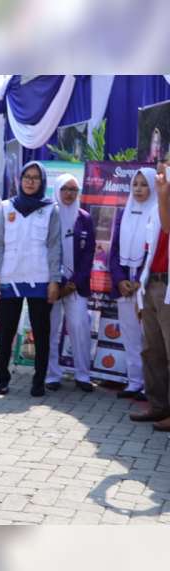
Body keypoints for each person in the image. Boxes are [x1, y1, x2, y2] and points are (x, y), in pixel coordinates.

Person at [0, 161, 62, 398]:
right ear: (20, 180)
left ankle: (38, 381)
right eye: (26, 177)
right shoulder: (5, 207)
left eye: (35, 178)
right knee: (6, 332)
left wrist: (54, 280)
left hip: (40, 279)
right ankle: (2, 378)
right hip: (9, 277)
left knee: (41, 333)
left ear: (42, 182)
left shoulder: (51, 209)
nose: (30, 181)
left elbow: (54, 247)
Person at [109, 168, 156, 401]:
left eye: (144, 184)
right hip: (124, 285)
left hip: (146, 284)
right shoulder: (123, 212)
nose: (138, 189)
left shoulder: (157, 213)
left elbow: (154, 250)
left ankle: (151, 387)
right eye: (135, 184)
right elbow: (114, 250)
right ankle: (134, 381)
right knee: (129, 333)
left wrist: (139, 281)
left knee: (150, 337)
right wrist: (120, 280)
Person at [45, 174, 95, 393]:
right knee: (51, 330)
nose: (69, 193)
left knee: (80, 327)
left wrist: (74, 283)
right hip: (54, 285)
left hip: (76, 286)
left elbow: (89, 254)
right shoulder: (48, 215)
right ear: (57, 189)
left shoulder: (85, 217)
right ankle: (51, 375)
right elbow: (43, 250)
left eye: (74, 190)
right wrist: (58, 281)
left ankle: (83, 375)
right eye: (65, 189)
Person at [131, 165, 170, 428]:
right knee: (152, 351)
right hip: (153, 284)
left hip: (168, 288)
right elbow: (149, 249)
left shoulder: (163, 203)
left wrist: (163, 194)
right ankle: (158, 406)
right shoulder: (157, 207)